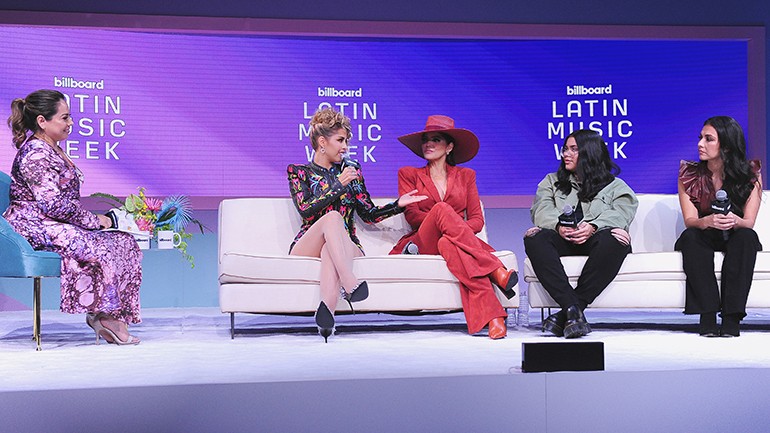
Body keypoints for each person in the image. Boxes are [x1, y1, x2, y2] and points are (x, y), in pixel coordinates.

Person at [4, 89, 142, 345]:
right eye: (64, 117)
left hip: (53, 221)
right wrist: (94, 221)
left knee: (124, 243)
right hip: (33, 223)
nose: (70, 123)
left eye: (70, 117)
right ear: (42, 121)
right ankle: (103, 316)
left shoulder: (52, 148)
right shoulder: (36, 153)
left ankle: (108, 315)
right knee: (99, 245)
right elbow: (53, 204)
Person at [288, 108, 425, 342]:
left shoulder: (352, 170)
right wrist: (337, 185)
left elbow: (368, 214)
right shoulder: (298, 172)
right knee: (331, 218)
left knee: (330, 246)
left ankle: (326, 314)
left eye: (346, 141)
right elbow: (306, 209)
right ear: (322, 142)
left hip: (347, 244)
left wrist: (398, 205)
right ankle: (349, 282)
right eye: (340, 140)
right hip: (307, 245)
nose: (345, 147)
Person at [389, 115, 518, 340]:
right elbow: (413, 216)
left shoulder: (467, 176)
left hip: (451, 241)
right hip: (422, 241)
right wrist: (444, 218)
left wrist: (452, 227)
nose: (428, 144)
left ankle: (494, 317)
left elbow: (477, 220)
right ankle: (495, 269)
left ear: (449, 147)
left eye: (435, 139)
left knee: (448, 242)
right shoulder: (408, 174)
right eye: (425, 140)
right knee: (441, 210)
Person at [524, 129, 638, 338]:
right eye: (565, 149)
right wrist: (558, 226)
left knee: (616, 239)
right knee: (535, 238)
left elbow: (622, 212)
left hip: (596, 239)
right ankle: (573, 308)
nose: (566, 154)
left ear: (590, 152)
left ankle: (569, 311)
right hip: (563, 238)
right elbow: (541, 210)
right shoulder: (551, 181)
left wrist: (594, 225)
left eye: (574, 149)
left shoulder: (615, 186)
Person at [676, 116, 762, 337]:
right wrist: (706, 221)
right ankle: (708, 313)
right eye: (700, 138)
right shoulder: (689, 174)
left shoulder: (750, 173)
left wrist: (735, 220)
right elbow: (690, 220)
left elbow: (749, 222)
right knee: (690, 236)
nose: (700, 144)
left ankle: (732, 317)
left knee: (746, 237)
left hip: (735, 232)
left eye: (708, 139)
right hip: (705, 231)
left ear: (726, 144)